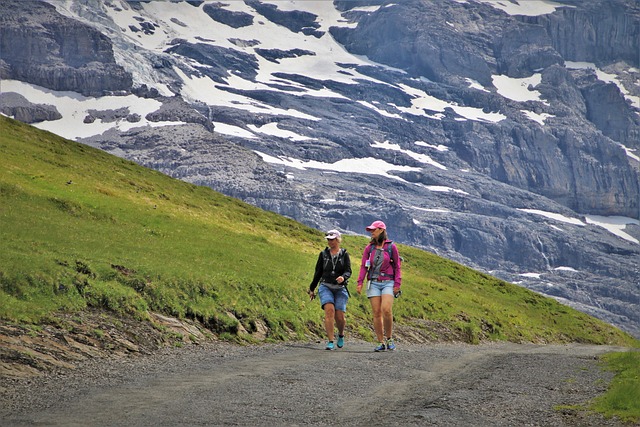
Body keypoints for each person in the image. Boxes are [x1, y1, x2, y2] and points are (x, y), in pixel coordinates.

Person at [356, 220, 402, 352]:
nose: (371, 233)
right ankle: (380, 342)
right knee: (376, 313)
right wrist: (360, 282)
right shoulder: (368, 248)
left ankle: (389, 338)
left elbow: (397, 266)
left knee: (386, 309)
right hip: (373, 283)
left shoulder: (391, 247)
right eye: (370, 231)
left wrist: (397, 283)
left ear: (381, 230)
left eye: (374, 230)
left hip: (388, 282)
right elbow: (363, 266)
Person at [308, 229, 352, 350]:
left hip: (340, 288)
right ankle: (330, 341)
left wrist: (343, 277)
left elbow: (348, 271)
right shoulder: (323, 254)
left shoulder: (344, 254)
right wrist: (312, 288)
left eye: (332, 239)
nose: (330, 242)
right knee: (329, 311)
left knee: (340, 316)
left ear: (338, 240)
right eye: (328, 239)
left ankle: (341, 334)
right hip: (325, 286)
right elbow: (318, 272)